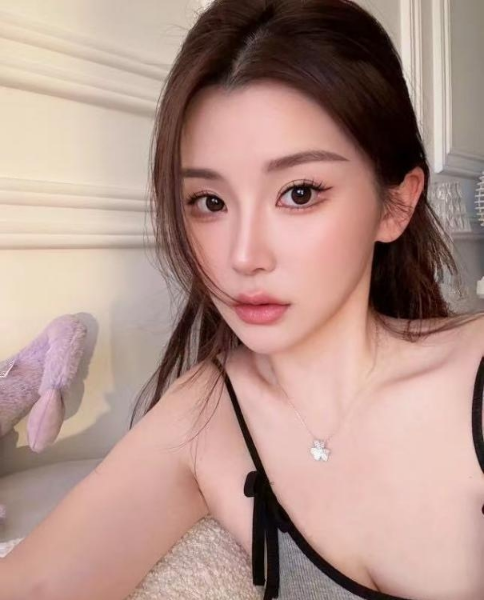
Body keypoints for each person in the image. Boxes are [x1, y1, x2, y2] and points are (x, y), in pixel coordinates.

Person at [2, 0, 484, 598]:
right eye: (209, 202)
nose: (243, 256)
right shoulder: (205, 415)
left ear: (396, 204)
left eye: (299, 193)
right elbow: (35, 584)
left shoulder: (473, 375)